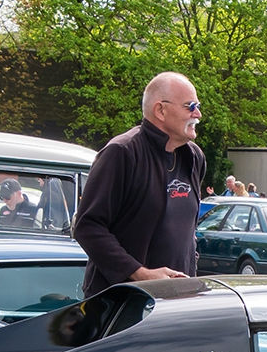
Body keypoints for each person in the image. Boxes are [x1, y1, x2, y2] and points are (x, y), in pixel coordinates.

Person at [71, 71, 205, 295]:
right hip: (121, 303)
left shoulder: (193, 157)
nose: (198, 114)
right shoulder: (122, 153)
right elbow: (87, 226)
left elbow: (187, 231)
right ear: (160, 110)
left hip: (177, 302)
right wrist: (140, 273)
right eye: (190, 106)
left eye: (197, 106)